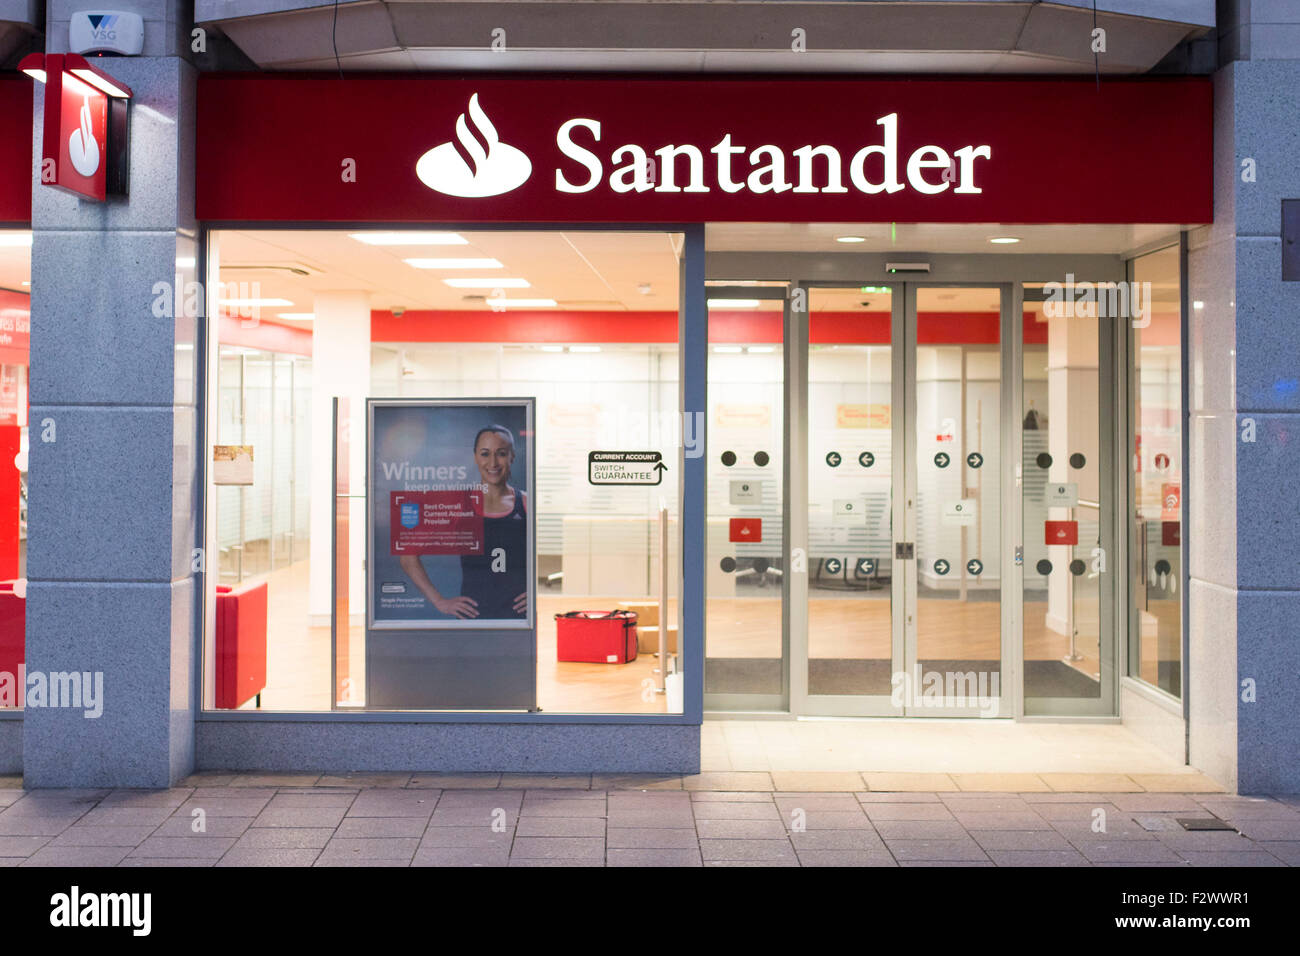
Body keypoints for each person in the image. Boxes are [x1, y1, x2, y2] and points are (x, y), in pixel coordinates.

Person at [398, 424, 528, 620]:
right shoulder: (458, 503)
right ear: (475, 456)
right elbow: (408, 555)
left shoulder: (526, 503)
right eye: (485, 454)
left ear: (512, 456)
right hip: (473, 618)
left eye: (501, 453)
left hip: (519, 618)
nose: (493, 462)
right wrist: (439, 601)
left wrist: (536, 591)